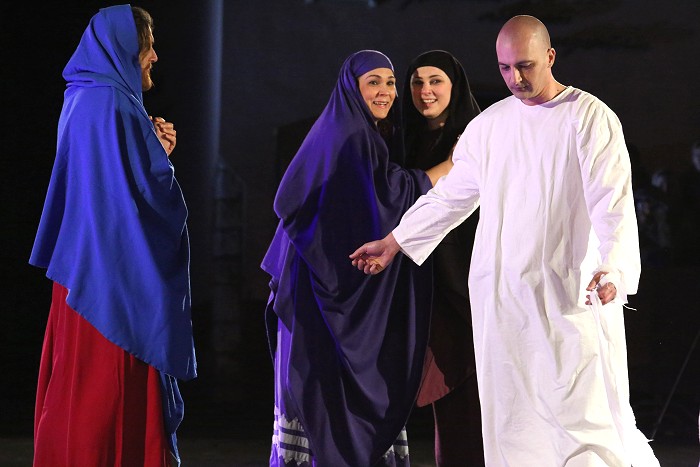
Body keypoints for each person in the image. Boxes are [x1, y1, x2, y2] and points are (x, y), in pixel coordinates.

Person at [351, 15, 660, 467]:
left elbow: (611, 201)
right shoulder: (490, 125)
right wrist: (395, 241)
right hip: (503, 300)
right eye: (505, 68)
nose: (515, 78)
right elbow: (451, 197)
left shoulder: (588, 118)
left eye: (525, 66)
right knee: (513, 420)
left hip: (568, 293)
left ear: (550, 57)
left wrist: (613, 266)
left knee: (582, 416)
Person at [261, 49, 452, 466]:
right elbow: (384, 197)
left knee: (318, 387)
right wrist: (450, 167)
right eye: (373, 82)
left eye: (390, 82)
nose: (385, 92)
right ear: (352, 87)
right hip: (321, 294)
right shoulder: (351, 136)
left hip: (312, 283)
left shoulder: (344, 130)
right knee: (331, 391)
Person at [29, 5, 196, 466]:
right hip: (114, 279)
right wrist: (158, 160)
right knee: (105, 393)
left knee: (78, 385)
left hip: (81, 270)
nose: (154, 56)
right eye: (147, 46)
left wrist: (151, 152)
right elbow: (135, 200)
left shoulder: (81, 97)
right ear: (124, 47)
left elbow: (107, 187)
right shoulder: (111, 104)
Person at [402, 50, 484, 466]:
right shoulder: (407, 139)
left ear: (455, 86)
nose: (425, 91)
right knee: (447, 395)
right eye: (417, 82)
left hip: (469, 282)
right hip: (427, 284)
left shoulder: (476, 136)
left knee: (475, 388)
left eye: (435, 81)